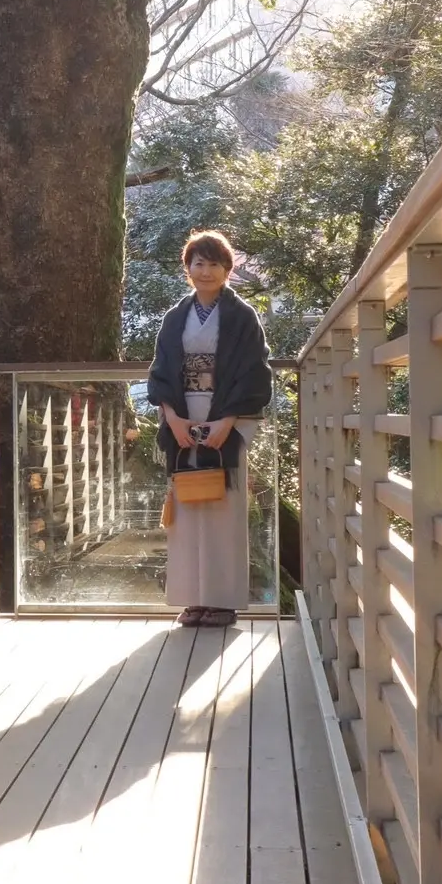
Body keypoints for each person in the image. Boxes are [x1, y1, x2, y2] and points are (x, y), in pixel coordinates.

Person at [147, 230, 272, 629]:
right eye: (197, 263)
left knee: (222, 509)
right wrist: (173, 418)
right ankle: (192, 598)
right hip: (183, 415)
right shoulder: (174, 317)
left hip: (225, 417)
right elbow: (162, 371)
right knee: (186, 511)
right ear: (187, 269)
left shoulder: (242, 316)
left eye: (213, 263)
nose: (205, 271)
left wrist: (228, 421)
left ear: (227, 270)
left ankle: (222, 600)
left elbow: (254, 372)